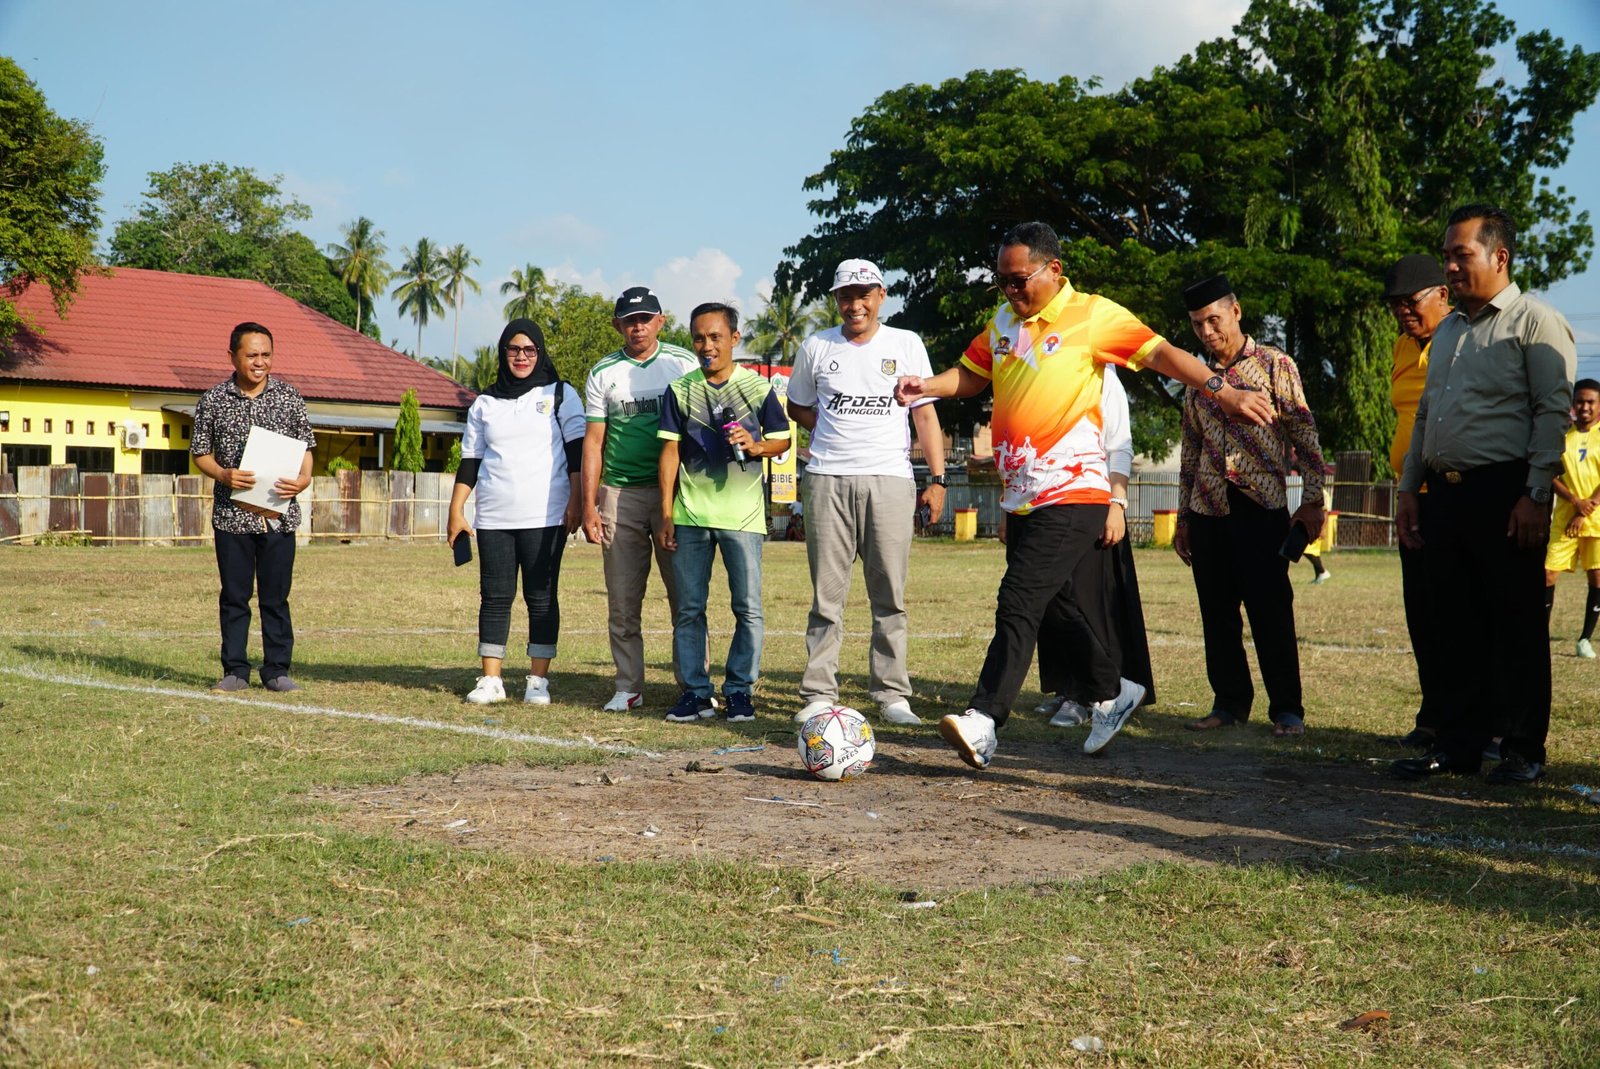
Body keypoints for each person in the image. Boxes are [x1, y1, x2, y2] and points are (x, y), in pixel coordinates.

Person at [895, 222, 1277, 769]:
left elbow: (1164, 356)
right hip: (1021, 494)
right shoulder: (1003, 320)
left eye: (1019, 280)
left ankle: (984, 720)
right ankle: (1112, 689)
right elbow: (973, 376)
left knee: (1019, 598)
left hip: (1075, 490)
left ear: (1054, 269)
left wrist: (1225, 391)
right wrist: (928, 385)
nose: (1010, 291)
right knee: (1054, 606)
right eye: (1001, 282)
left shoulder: (1095, 315)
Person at [1393, 204, 1577, 786]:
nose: (1449, 266)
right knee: (1453, 625)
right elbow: (1426, 416)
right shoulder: (1447, 331)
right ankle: (1459, 745)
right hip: (1444, 495)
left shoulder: (1534, 322)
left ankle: (1522, 748)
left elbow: (1553, 413)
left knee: (1516, 623)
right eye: (1446, 255)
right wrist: (1409, 489)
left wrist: (1535, 492)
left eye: (1460, 255)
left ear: (1499, 256)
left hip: (1506, 492)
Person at [787, 258, 948, 727]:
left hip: (892, 480)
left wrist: (936, 481)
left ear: (880, 296)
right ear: (835, 299)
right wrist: (835, 430)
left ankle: (892, 693)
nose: (854, 304)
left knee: (890, 595)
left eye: (863, 294)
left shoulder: (906, 343)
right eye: (845, 295)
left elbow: (924, 417)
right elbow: (799, 405)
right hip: (827, 479)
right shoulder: (817, 345)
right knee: (826, 596)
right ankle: (819, 692)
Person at [1172, 275, 1327, 738]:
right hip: (1207, 511)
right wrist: (1183, 518)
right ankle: (1229, 703)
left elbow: (1305, 436)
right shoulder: (1195, 380)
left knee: (1270, 610)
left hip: (1261, 508)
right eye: (1198, 325)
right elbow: (1190, 452)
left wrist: (1314, 500)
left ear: (1236, 312)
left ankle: (1287, 709)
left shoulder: (1275, 365)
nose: (1206, 332)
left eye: (1213, 320)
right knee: (1217, 614)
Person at [655, 303, 791, 722]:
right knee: (689, 608)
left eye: (715, 337)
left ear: (734, 338)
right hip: (691, 515)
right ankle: (696, 693)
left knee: (747, 608)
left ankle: (738, 692)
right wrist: (665, 512)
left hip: (743, 518)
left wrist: (757, 447)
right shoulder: (680, 391)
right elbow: (669, 451)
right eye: (699, 338)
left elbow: (783, 439)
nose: (706, 345)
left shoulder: (756, 389)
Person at [448, 319, 585, 705]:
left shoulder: (561, 394)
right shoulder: (484, 404)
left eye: (529, 350)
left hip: (546, 517)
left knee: (541, 597)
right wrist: (456, 509)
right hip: (493, 517)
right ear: (502, 352)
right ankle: (491, 680)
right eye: (513, 349)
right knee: (494, 596)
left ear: (540, 353)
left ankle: (538, 682)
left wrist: (577, 500)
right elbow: (470, 461)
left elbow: (577, 453)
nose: (521, 357)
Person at [580, 287, 699, 712]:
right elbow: (593, 442)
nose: (638, 327)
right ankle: (628, 687)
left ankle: (694, 687)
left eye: (646, 318)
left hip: (676, 495)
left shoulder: (684, 363)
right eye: (630, 320)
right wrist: (588, 504)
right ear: (617, 325)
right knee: (623, 600)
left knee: (685, 598)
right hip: (621, 493)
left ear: (661, 322)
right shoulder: (602, 372)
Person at [1028, 367, 1156, 730]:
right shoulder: (1037, 370)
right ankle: (1065, 688)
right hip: (1044, 503)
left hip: (1092, 504)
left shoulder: (1103, 375)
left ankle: (1093, 695)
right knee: (1052, 598)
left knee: (1088, 601)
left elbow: (1119, 445)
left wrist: (1117, 504)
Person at [190, 322, 315, 692]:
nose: (260, 362)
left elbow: (306, 449)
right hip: (232, 518)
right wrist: (224, 476)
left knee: (276, 598)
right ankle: (235, 671)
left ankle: (277, 670)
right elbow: (200, 453)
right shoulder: (213, 400)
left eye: (266, 355)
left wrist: (304, 480)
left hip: (278, 516)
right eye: (251, 355)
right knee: (234, 596)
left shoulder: (290, 397)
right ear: (232, 356)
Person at [1382, 253, 1452, 748]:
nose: (1404, 313)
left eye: (1412, 303)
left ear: (1442, 295)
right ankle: (1433, 712)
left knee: (1458, 612)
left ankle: (1479, 720)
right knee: (1422, 612)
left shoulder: (1462, 340)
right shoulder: (1401, 349)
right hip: (1412, 497)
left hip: (1452, 493)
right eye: (1395, 306)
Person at [1545, 378, 1600, 659]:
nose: (1585, 407)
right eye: (1580, 401)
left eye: (1591, 402)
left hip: (1596, 521)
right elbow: (1551, 475)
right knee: (1547, 574)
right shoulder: (1562, 438)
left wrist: (1588, 506)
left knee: (1597, 578)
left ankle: (1584, 640)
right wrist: (1576, 503)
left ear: (1599, 405)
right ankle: (1538, 637)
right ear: (1573, 405)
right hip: (1566, 518)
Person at [1299, 472, 1334, 584]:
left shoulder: (1323, 494)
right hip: (1312, 526)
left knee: (1305, 550)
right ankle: (1319, 577)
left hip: (1318, 527)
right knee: (1315, 552)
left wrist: (1322, 529)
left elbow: (1326, 513)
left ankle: (1323, 572)